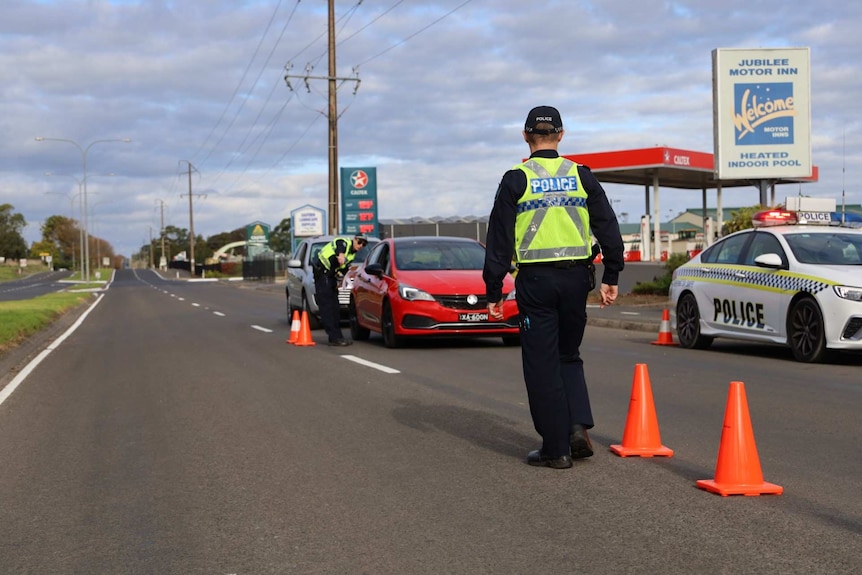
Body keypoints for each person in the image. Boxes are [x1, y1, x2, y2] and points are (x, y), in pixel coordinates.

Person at [483, 106, 624, 469]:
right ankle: (577, 427)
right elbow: (607, 225)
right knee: (568, 354)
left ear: (525, 136)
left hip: (537, 282)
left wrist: (494, 291)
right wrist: (612, 276)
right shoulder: (581, 175)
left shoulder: (516, 178)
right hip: (578, 279)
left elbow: (499, 240)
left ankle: (556, 448)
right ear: (561, 135)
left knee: (542, 363)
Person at [313, 233, 368, 346]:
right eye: (359, 242)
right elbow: (339, 245)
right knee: (327, 307)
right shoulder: (345, 243)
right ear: (354, 239)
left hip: (330, 277)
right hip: (322, 273)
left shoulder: (352, 256)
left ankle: (338, 336)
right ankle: (334, 337)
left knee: (335, 307)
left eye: (363, 244)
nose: (361, 245)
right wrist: (341, 255)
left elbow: (343, 270)